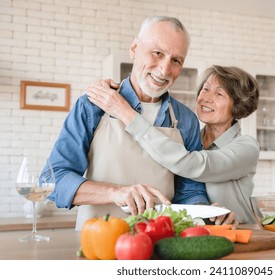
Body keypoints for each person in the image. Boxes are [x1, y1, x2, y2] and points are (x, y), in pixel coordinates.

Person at [47, 16, 211, 230]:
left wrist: (207, 212)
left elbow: (190, 190)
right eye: (157, 53)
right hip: (99, 241)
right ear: (134, 48)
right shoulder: (93, 106)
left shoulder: (186, 119)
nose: (164, 70)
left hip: (163, 241)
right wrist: (116, 192)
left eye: (176, 60)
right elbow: (53, 180)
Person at [87, 65, 260, 224]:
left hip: (239, 233)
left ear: (238, 105)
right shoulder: (191, 139)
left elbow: (191, 164)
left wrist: (126, 114)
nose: (206, 98)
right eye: (205, 89)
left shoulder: (246, 147)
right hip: (198, 235)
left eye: (219, 94)